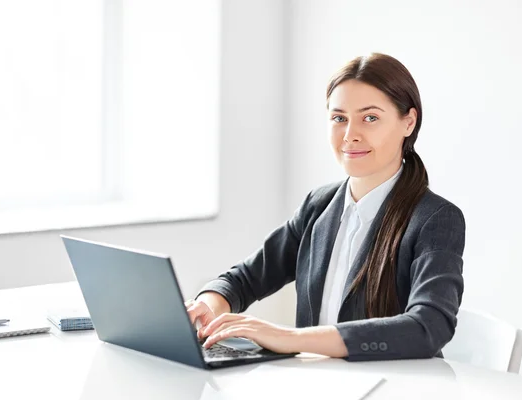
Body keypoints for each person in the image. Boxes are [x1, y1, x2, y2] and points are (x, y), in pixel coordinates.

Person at [185, 53, 466, 361]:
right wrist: (208, 306)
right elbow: (245, 279)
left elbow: (428, 327)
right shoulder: (318, 206)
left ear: (408, 122)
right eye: (339, 118)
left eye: (370, 118)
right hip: (317, 384)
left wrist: (289, 338)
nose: (350, 135)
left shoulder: (436, 219)